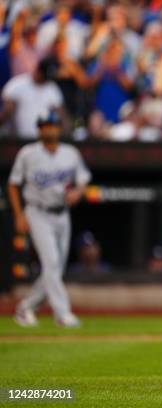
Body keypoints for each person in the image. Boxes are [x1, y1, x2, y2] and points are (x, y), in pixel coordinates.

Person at [7, 111, 91, 328]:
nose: (49, 129)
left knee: (55, 269)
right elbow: (13, 184)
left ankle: (25, 308)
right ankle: (63, 314)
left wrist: (78, 192)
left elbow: (83, 179)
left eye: (52, 125)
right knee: (51, 263)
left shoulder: (70, 153)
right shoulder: (28, 153)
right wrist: (19, 214)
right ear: (39, 130)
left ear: (58, 128)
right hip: (37, 212)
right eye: (44, 125)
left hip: (62, 213)